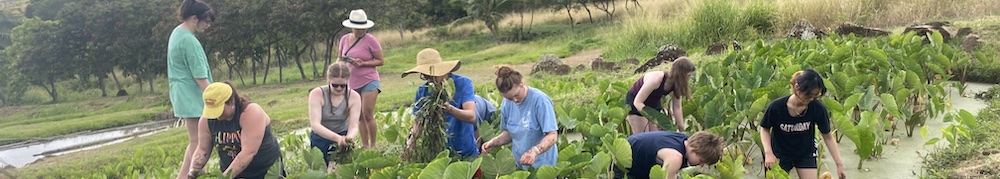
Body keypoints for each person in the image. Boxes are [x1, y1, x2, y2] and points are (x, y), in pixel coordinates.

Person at [759, 69, 846, 179]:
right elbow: (764, 129)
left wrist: (839, 164)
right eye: (808, 94)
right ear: (797, 87)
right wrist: (768, 153)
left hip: (805, 153)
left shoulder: (817, 108)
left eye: (815, 96)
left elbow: (827, 137)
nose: (811, 98)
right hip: (779, 153)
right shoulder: (777, 107)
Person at [188, 82, 285, 178]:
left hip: (263, 173)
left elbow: (248, 153)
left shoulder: (250, 113)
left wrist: (223, 178)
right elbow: (202, 150)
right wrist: (193, 170)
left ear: (231, 102)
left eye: (219, 110)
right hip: (233, 174)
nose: (216, 116)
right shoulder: (206, 121)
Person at [167, 0, 216, 177]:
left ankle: (189, 175)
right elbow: (200, 76)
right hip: (193, 96)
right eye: (207, 22)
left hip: (182, 95)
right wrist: (218, 98)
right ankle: (193, 174)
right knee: (200, 142)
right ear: (195, 18)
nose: (208, 26)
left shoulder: (176, 33)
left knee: (195, 140)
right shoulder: (189, 40)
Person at [404, 48, 480, 158]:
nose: (429, 80)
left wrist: (450, 110)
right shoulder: (423, 91)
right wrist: (410, 145)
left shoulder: (463, 83)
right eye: (425, 76)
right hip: (439, 154)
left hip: (465, 151)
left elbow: (471, 116)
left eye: (431, 76)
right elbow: (418, 122)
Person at [481, 66, 559, 169]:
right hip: (520, 163)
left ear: (522, 82)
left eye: (516, 95)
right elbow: (509, 133)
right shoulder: (506, 104)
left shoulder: (540, 101)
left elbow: (552, 135)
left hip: (543, 164)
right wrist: (494, 142)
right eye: (509, 98)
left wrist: (535, 151)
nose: (515, 100)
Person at [338, 9, 384, 149]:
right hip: (352, 82)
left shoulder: (371, 40)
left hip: (369, 80)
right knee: (358, 116)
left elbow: (380, 61)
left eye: (363, 28)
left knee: (367, 113)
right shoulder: (344, 39)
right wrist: (338, 68)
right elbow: (340, 58)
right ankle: (365, 145)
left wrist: (363, 63)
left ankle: (373, 145)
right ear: (352, 27)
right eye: (358, 28)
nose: (361, 31)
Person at [308, 63, 362, 173]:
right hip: (320, 137)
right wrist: (337, 138)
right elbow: (315, 125)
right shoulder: (317, 94)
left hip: (343, 135)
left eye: (343, 86)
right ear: (328, 81)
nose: (339, 88)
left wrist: (348, 138)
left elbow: (354, 125)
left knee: (338, 172)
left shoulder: (354, 97)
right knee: (320, 172)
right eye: (335, 85)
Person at [625, 57, 696, 134]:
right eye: (688, 75)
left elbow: (677, 107)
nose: (689, 78)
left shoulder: (677, 84)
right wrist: (652, 118)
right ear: (680, 74)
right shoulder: (657, 79)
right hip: (636, 103)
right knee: (644, 135)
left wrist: (682, 128)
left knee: (656, 136)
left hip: (653, 104)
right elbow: (637, 102)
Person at [625, 131, 724, 179]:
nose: (701, 165)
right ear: (695, 150)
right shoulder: (675, 157)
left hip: (638, 159)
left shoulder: (684, 140)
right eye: (701, 161)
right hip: (624, 165)